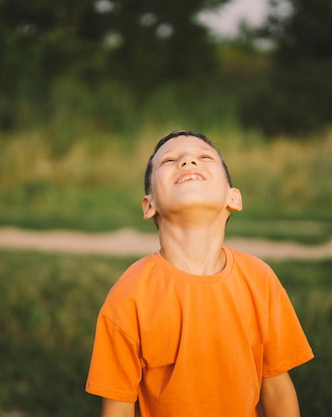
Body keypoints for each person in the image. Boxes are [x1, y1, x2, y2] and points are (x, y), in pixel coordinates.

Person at [85, 130, 313, 417]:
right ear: (149, 205)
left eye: (204, 157)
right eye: (169, 160)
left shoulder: (260, 281)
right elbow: (117, 410)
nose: (188, 161)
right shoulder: (128, 298)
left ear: (233, 198)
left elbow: (277, 390)